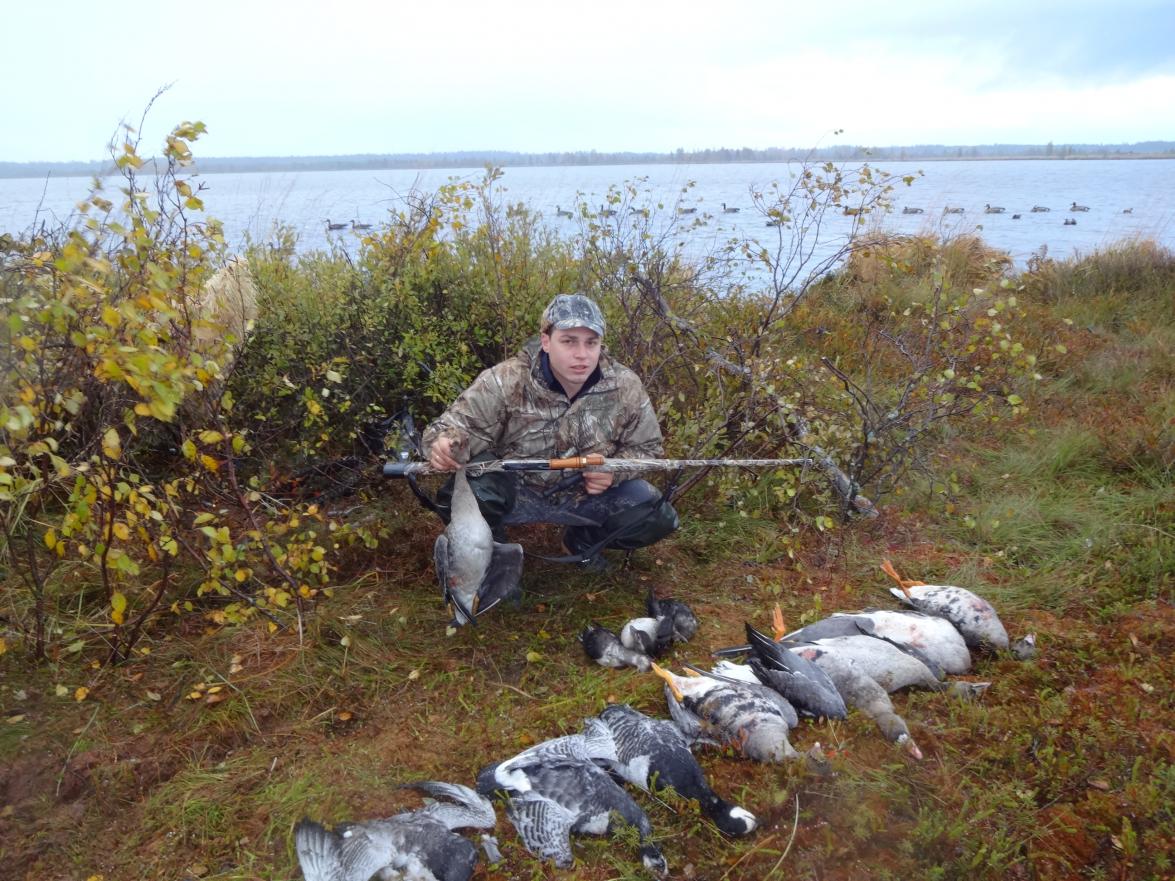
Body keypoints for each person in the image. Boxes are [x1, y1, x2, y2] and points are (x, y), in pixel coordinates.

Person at [422, 293, 679, 570]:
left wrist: (612, 472)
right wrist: (444, 445)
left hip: (584, 495)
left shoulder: (625, 386)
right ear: (546, 341)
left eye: (591, 342)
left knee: (657, 516)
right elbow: (448, 430)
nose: (582, 354)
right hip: (514, 490)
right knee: (464, 493)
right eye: (569, 341)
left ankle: (581, 543)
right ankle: (494, 564)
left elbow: (648, 449)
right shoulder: (505, 380)